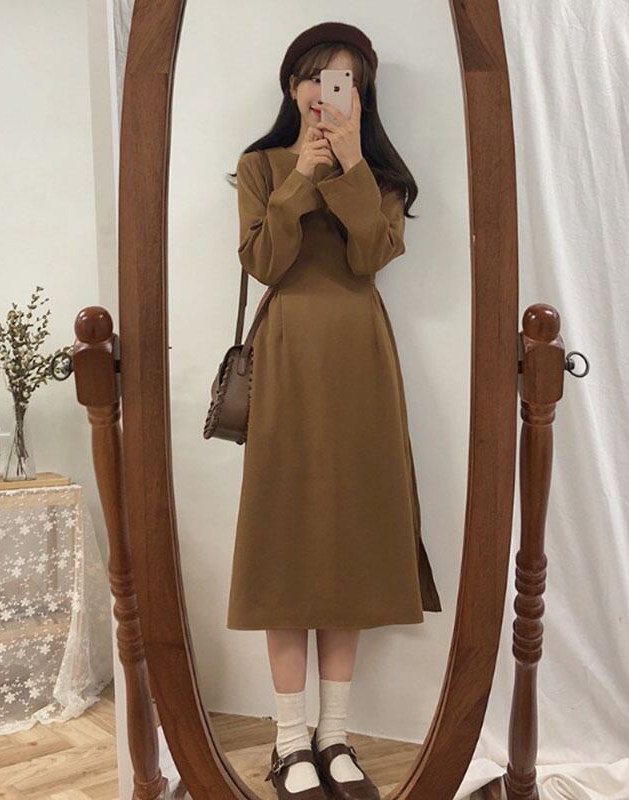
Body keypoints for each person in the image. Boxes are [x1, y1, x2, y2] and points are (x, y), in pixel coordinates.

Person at [225, 21, 442, 800]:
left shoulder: (381, 175)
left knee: (347, 540)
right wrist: (300, 179)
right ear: (292, 86)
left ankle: (336, 736)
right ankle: (290, 742)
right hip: (287, 357)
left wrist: (350, 168)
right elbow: (264, 262)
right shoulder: (260, 165)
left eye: (344, 79)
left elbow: (369, 258)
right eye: (315, 76)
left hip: (359, 360)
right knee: (287, 540)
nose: (326, 92)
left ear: (362, 94)